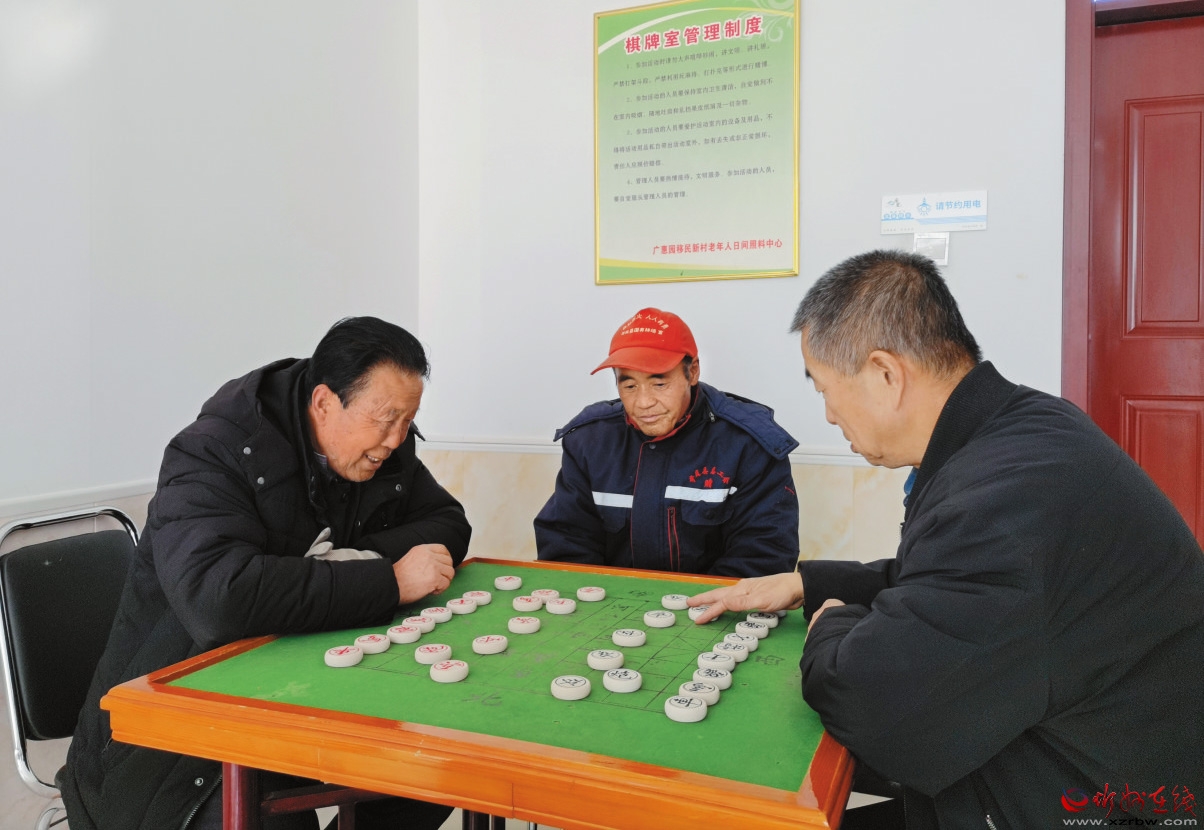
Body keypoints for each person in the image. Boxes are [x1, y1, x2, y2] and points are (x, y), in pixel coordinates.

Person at [689, 251, 1204, 829]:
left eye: (826, 390)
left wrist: (830, 621)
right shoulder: (1022, 428)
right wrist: (809, 582)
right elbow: (954, 587)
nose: (829, 416)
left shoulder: (1003, 499)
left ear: (886, 375)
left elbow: (877, 709)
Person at [61, 317, 472, 830]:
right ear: (324, 402)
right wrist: (388, 581)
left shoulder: (377, 447)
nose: (395, 440)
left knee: (435, 769)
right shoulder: (212, 451)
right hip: (176, 744)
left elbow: (448, 523)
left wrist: (348, 561)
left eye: (407, 421)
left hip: (302, 694)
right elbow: (218, 600)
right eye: (386, 419)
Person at [535, 307, 800, 577]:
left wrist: (696, 600)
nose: (643, 402)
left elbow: (764, 556)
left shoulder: (749, 443)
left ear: (692, 372)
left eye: (659, 384)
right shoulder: (589, 441)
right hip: (607, 599)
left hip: (716, 601)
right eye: (629, 386)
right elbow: (566, 543)